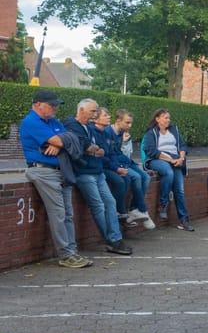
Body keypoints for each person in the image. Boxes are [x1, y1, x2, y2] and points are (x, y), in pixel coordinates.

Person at [19, 90, 93, 268]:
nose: (55, 108)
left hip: (61, 171)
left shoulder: (52, 121)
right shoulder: (31, 121)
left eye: (56, 105)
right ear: (37, 104)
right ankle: (65, 254)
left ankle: (72, 251)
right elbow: (63, 142)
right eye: (51, 105)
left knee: (68, 213)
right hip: (43, 171)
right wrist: (61, 142)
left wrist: (61, 142)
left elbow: (72, 138)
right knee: (59, 213)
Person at [64, 99, 132, 255]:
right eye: (93, 111)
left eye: (96, 112)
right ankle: (111, 240)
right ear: (81, 110)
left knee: (110, 202)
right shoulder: (73, 125)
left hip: (98, 172)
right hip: (84, 173)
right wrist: (93, 149)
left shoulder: (93, 129)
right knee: (98, 206)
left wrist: (93, 149)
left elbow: (102, 150)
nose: (95, 114)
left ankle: (116, 238)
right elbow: (83, 147)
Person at [94, 108, 155, 230]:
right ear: (118, 121)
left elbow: (119, 153)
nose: (130, 125)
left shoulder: (122, 133)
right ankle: (139, 210)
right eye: (127, 122)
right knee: (133, 178)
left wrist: (126, 148)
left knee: (146, 177)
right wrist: (118, 167)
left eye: (131, 122)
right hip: (111, 164)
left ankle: (135, 209)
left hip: (121, 161)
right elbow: (109, 154)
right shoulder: (108, 132)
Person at [141, 108, 193, 231]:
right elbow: (151, 151)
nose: (168, 120)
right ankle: (162, 204)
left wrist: (181, 158)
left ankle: (184, 220)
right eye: (165, 117)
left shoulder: (174, 130)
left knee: (179, 190)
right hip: (157, 160)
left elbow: (182, 145)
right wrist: (170, 160)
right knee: (168, 172)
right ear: (157, 119)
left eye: (169, 118)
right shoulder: (151, 133)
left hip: (176, 160)